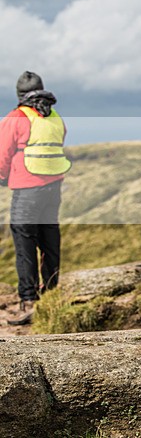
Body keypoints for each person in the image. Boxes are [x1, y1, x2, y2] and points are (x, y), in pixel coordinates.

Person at [0, 71, 71, 325]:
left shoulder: (17, 117)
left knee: (25, 244)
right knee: (50, 240)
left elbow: (2, 152)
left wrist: (3, 176)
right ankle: (51, 295)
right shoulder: (54, 116)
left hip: (27, 188)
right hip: (53, 188)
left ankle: (29, 302)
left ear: (19, 94)